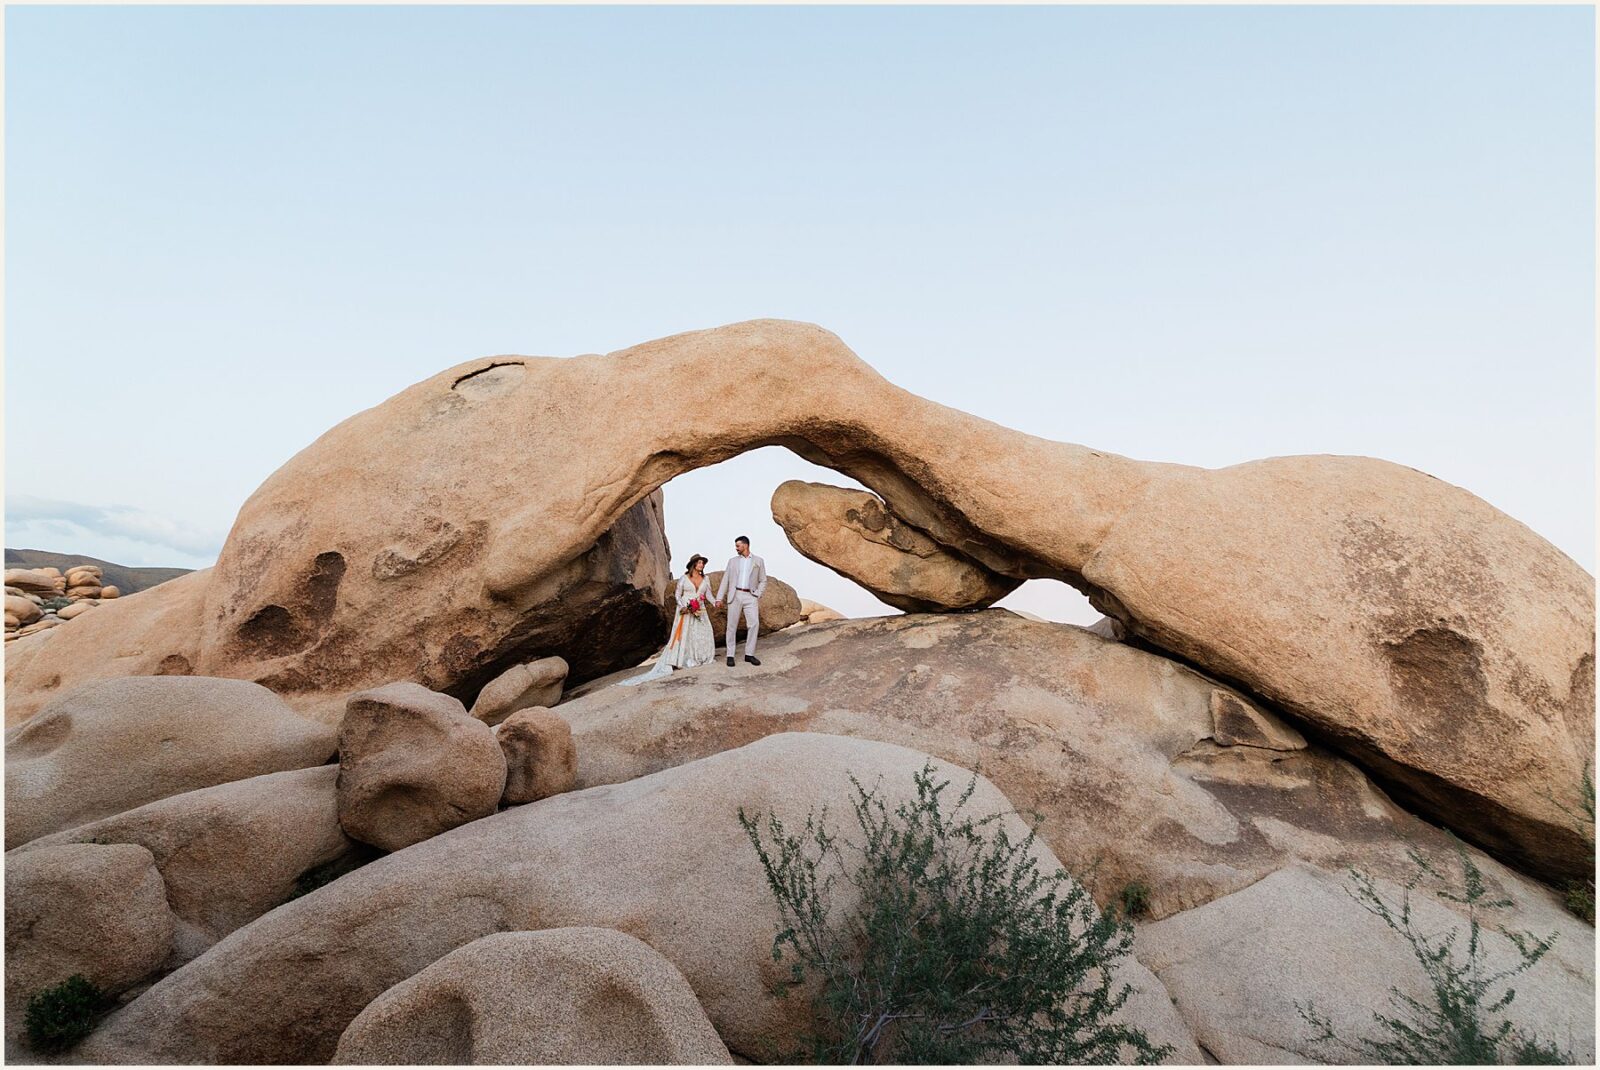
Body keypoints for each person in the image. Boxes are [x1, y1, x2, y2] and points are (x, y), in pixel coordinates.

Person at [619, 554, 717, 686]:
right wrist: (683, 606)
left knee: (703, 631)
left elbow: (708, 594)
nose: (702, 565)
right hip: (685, 608)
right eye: (699, 562)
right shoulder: (684, 578)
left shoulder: (706, 579)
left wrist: (715, 602)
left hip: (700, 609)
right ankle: (685, 658)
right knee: (686, 634)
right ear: (693, 564)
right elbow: (678, 594)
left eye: (703, 563)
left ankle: (701, 657)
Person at [714, 535, 766, 667]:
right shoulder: (732, 561)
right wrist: (719, 598)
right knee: (731, 626)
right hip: (735, 595)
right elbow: (725, 580)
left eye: (738, 546)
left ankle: (749, 654)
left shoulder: (758, 561)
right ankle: (730, 655)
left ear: (745, 545)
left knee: (754, 624)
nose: (736, 548)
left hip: (750, 596)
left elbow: (763, 580)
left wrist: (758, 594)